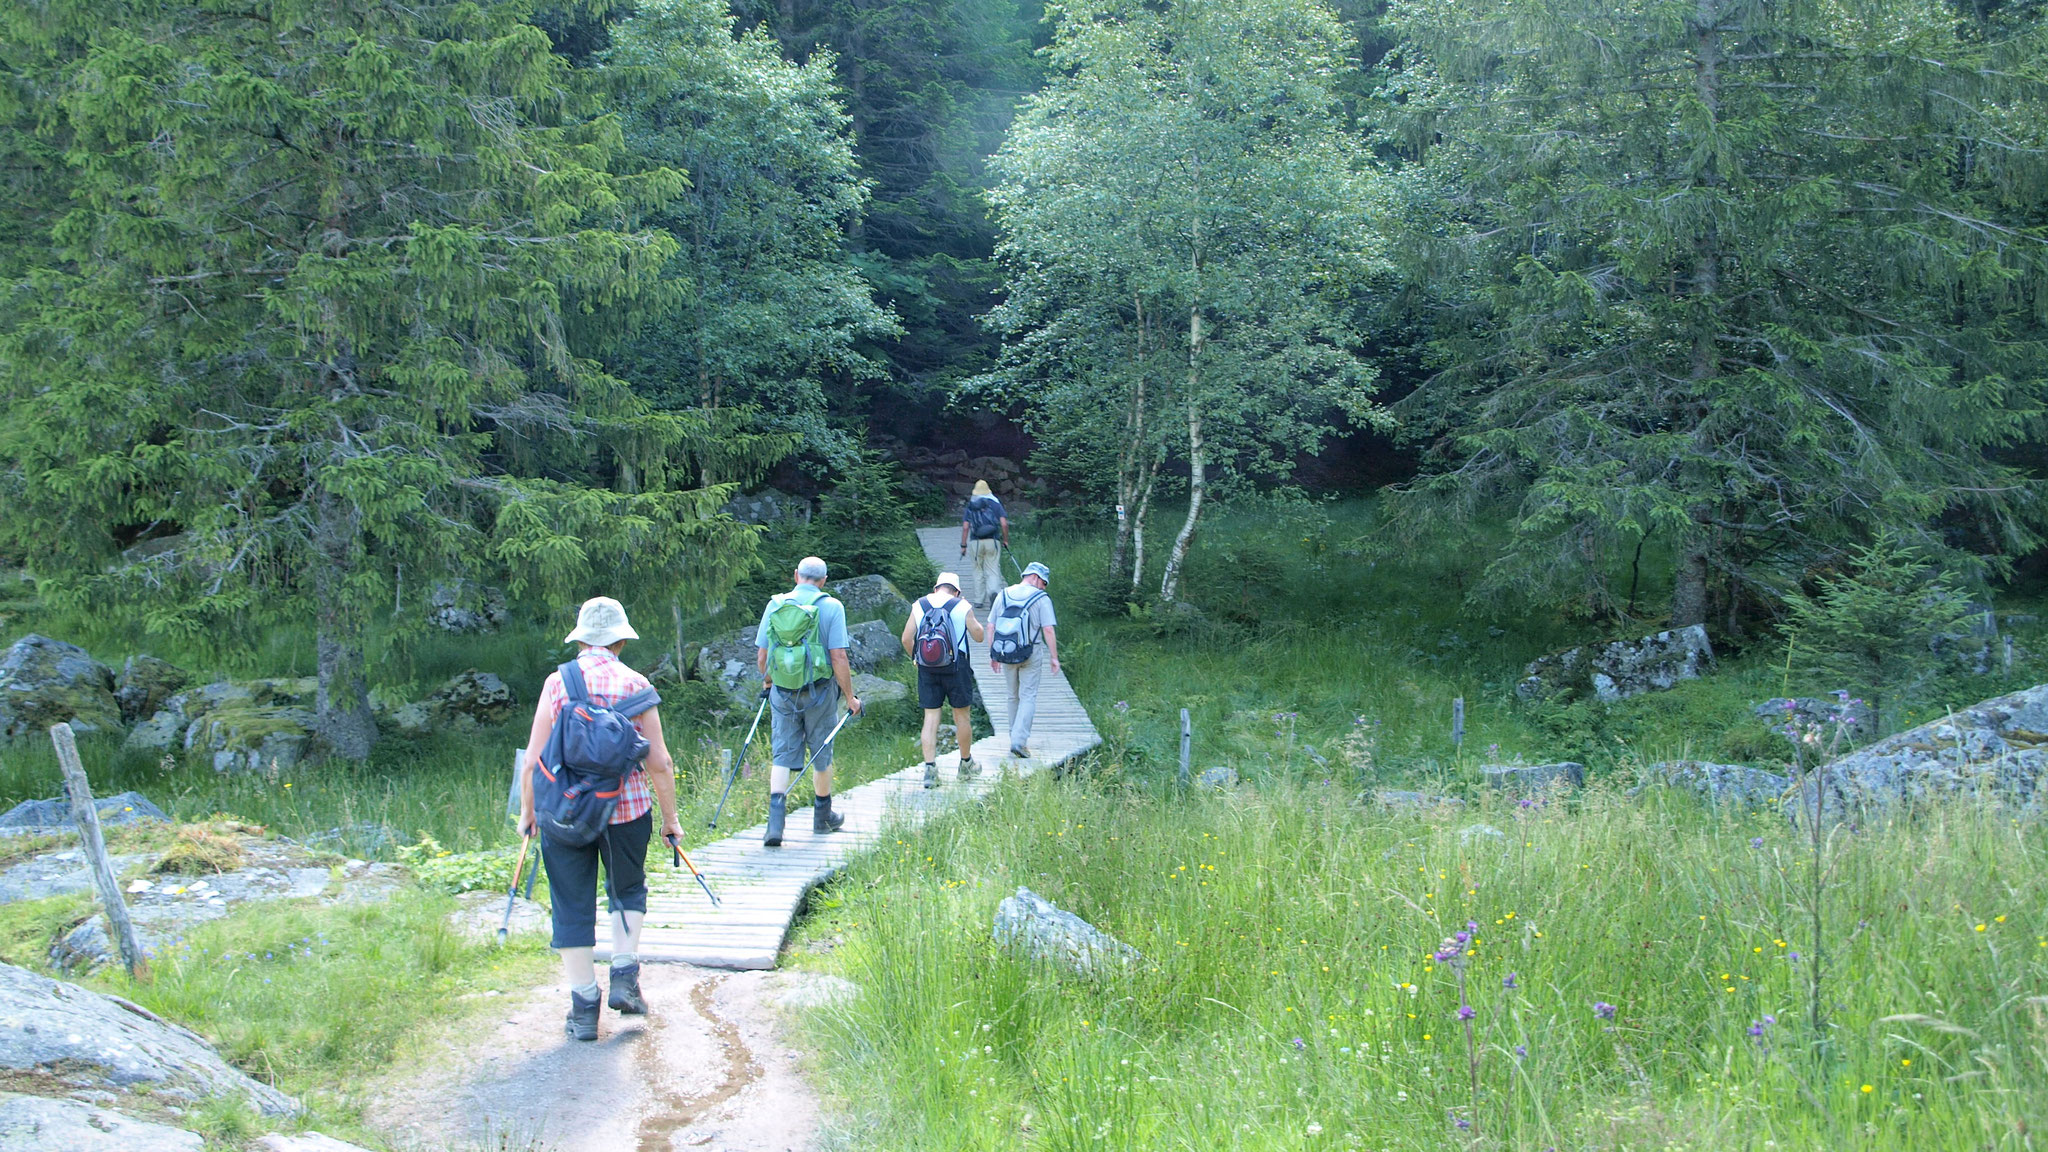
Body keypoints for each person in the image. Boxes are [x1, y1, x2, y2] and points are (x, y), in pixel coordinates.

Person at [517, 596, 681, 1042]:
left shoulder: (558, 682)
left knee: (571, 903)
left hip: (567, 812)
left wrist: (529, 814)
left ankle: (584, 1008)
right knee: (627, 889)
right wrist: (670, 821)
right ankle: (625, 977)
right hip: (626, 809)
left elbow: (533, 759)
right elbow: (659, 762)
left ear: (582, 638)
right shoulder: (636, 684)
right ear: (621, 640)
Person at [755, 556, 862, 846]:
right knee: (821, 751)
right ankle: (822, 817)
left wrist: (769, 681)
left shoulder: (775, 605)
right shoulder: (831, 607)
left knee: (782, 754)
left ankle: (775, 825)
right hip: (820, 692)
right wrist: (850, 697)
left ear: (796, 576)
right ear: (824, 581)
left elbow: (763, 655)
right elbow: (838, 656)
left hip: (782, 692)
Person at [900, 571, 986, 789]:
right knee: (962, 716)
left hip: (928, 668)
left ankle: (930, 769)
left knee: (930, 717)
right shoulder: (961, 605)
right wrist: (967, 608)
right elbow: (979, 635)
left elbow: (906, 638)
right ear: (957, 591)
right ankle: (966, 764)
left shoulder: (919, 604)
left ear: (936, 587)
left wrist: (917, 659)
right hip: (957, 667)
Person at [989, 561, 1061, 759]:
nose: (1044, 587)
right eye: (1044, 582)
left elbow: (990, 626)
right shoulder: (1042, 598)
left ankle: (1014, 736)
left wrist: (993, 654)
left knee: (1012, 696)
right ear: (1036, 578)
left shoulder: (1003, 594)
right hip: (1031, 652)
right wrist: (1054, 658)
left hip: (1006, 652)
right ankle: (1019, 741)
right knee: (1028, 696)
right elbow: (1048, 629)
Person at [959, 480, 1009, 612]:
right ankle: (993, 592)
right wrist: (1005, 540)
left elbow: (965, 527)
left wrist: (963, 545)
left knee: (977, 570)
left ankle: (978, 600)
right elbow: (1004, 524)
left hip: (975, 542)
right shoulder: (995, 504)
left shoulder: (971, 506)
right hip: (992, 541)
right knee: (992, 569)